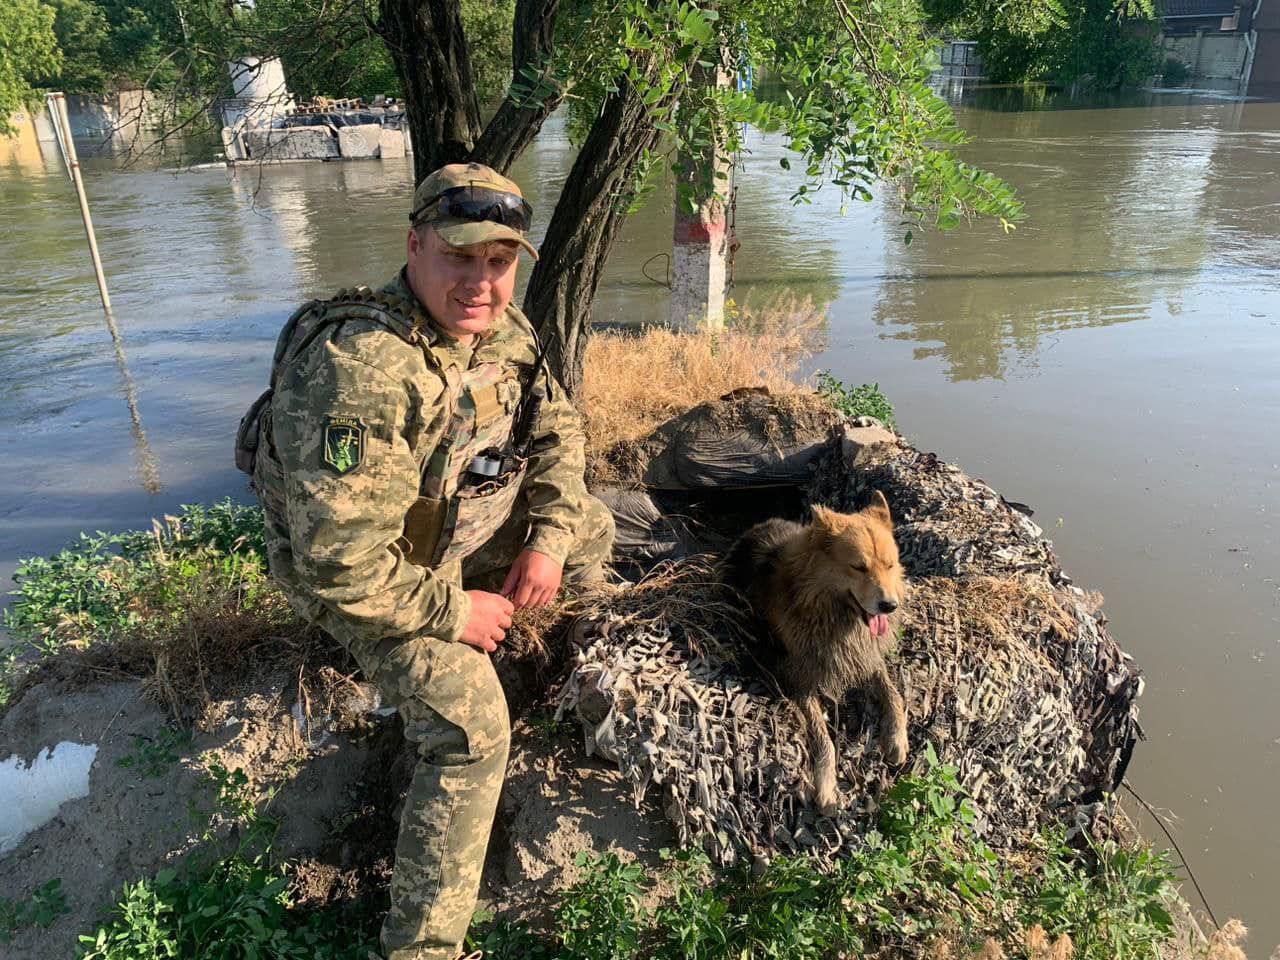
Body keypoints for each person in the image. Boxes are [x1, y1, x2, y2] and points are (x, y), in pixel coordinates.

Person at [235, 162, 614, 960]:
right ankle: (421, 948)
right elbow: (340, 564)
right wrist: (454, 612)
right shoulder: (363, 369)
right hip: (367, 580)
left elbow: (559, 434)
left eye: (499, 262)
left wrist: (545, 540)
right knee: (473, 728)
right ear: (414, 245)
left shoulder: (500, 328)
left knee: (590, 531)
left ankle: (544, 677)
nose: (481, 282)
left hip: (451, 536)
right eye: (460, 257)